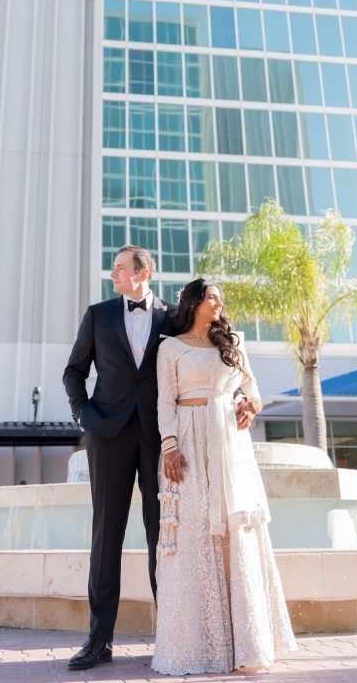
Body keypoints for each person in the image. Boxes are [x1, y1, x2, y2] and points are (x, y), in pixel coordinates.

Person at [152, 278, 297, 676]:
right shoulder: (170, 347)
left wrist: (250, 403)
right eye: (212, 296)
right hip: (189, 439)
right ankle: (198, 645)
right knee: (195, 532)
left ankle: (246, 644)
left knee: (237, 533)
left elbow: (253, 389)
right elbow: (164, 400)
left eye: (221, 298)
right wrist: (169, 444)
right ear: (194, 301)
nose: (219, 303)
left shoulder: (231, 342)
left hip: (231, 445)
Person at [62, 245, 177, 671]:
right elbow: (74, 371)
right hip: (107, 434)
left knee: (162, 535)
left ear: (143, 272)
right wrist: (85, 415)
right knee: (106, 535)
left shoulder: (173, 317)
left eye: (120, 268)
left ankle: (172, 632)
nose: (113, 275)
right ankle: (99, 640)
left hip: (158, 438)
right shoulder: (98, 315)